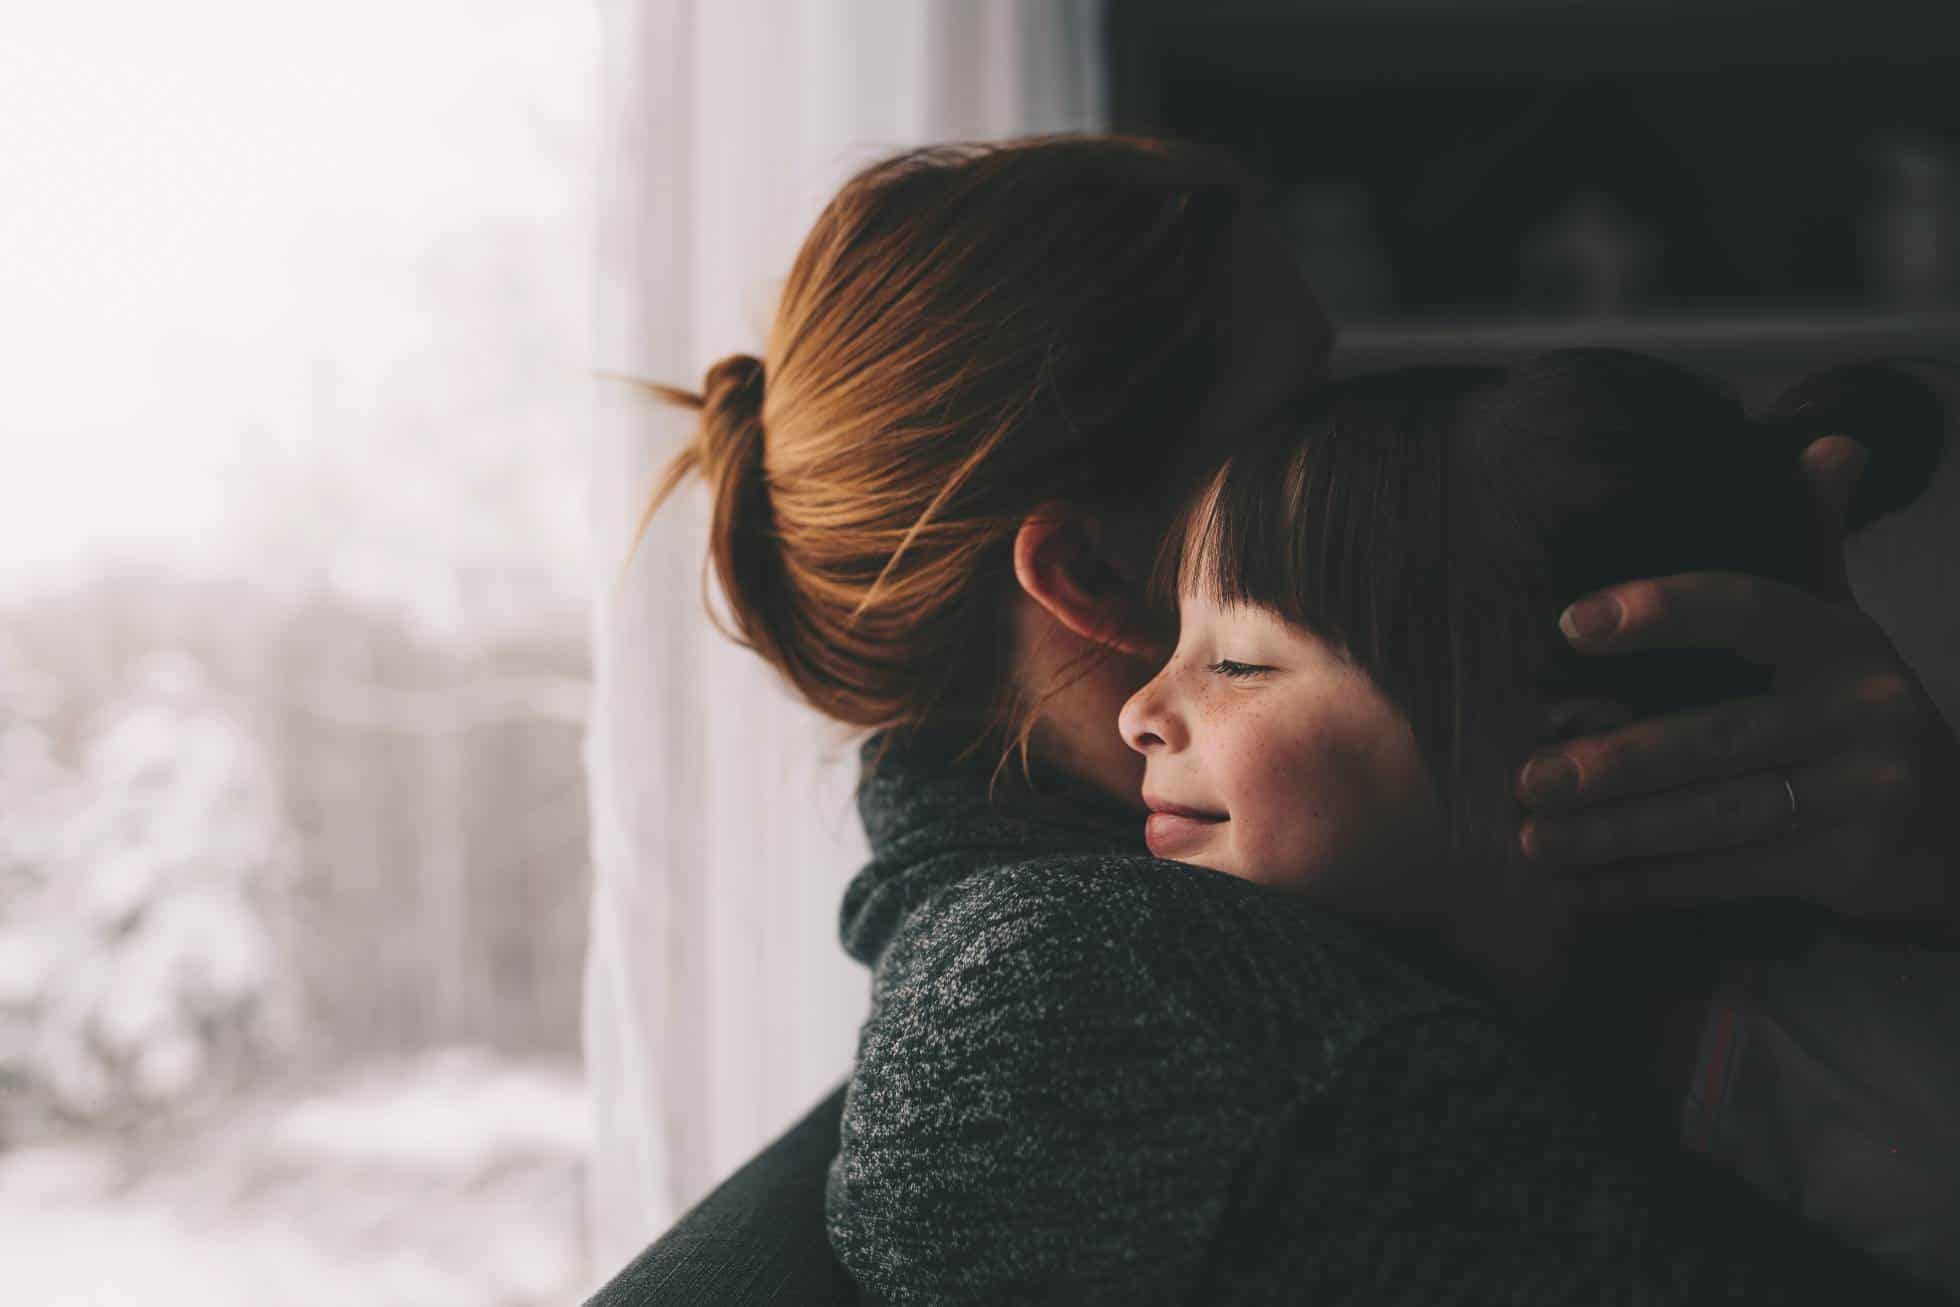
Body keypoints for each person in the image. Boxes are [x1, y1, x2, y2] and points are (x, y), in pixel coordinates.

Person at [619, 135, 1959, 1302]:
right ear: (1093, 576)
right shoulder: (1088, 1008)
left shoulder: (1362, 865)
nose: (1393, 442)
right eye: (1305, 408)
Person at [1117, 349, 1960, 1293]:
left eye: (1236, 664)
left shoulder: (1849, 1097)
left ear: (1574, 764)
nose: (1137, 710)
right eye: (1177, 643)